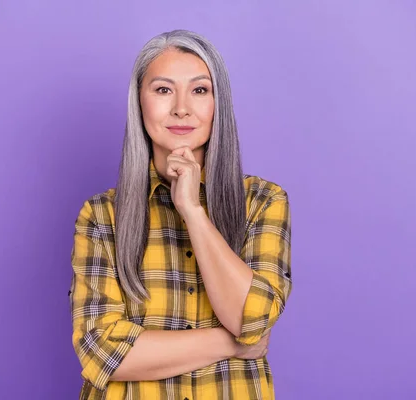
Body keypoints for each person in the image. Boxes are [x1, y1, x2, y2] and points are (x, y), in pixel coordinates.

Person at [69, 29, 292, 400]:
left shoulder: (263, 201)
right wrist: (232, 345)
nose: (182, 108)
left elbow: (250, 320)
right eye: (163, 89)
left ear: (218, 103)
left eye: (200, 90)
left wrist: (192, 210)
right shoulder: (101, 215)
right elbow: (102, 351)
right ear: (139, 103)